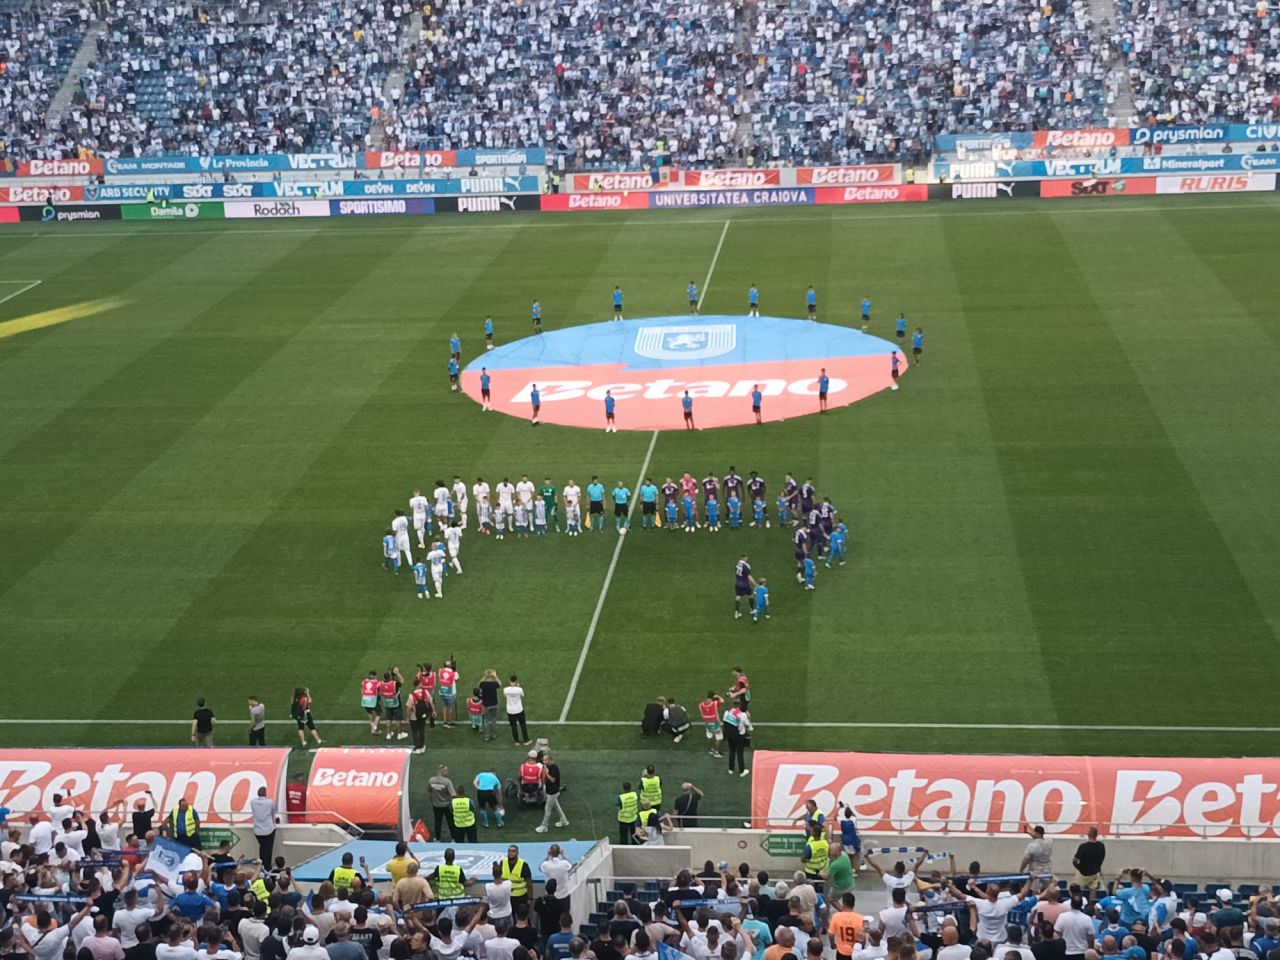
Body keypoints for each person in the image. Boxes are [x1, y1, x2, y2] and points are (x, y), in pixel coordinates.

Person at [537, 753, 568, 832]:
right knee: (557, 806)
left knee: (547, 809)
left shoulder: (554, 768)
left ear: (550, 760)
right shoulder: (547, 767)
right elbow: (544, 779)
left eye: (545, 760)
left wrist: (547, 772)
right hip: (550, 791)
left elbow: (552, 780)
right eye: (543, 760)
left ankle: (544, 825)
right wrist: (544, 772)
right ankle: (564, 820)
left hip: (553, 792)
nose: (544, 762)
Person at [829, 894, 865, 960]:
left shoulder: (836, 917)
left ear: (844, 903)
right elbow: (863, 937)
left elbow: (831, 934)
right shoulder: (860, 918)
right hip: (855, 952)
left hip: (841, 952)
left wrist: (832, 944)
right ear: (853, 904)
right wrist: (862, 947)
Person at [1072, 827, 1106, 894]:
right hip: (1095, 872)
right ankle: (1092, 902)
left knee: (1073, 889)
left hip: (1083, 873)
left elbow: (1075, 860)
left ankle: (1077, 902)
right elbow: (1102, 857)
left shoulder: (1083, 846)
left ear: (1088, 834)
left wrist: (1078, 867)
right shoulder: (1101, 846)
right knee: (1093, 890)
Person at [501, 845, 533, 912]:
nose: (511, 853)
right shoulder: (502, 862)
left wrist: (530, 898)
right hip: (507, 897)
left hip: (520, 897)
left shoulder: (523, 865)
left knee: (521, 917)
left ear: (517, 853)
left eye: (513, 851)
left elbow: (529, 883)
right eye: (509, 851)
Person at [723, 702, 752, 776]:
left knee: (732, 751)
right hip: (739, 736)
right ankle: (741, 771)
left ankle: (731, 769)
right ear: (740, 706)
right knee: (740, 753)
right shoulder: (743, 715)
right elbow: (748, 725)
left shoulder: (727, 713)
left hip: (730, 736)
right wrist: (749, 717)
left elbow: (724, 721)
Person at [250, 787, 277, 866]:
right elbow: (273, 812)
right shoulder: (270, 802)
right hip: (269, 830)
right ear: (265, 793)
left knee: (262, 848)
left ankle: (261, 865)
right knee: (268, 849)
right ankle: (267, 866)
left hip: (258, 831)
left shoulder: (253, 802)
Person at [429, 766, 457, 841]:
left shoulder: (431, 780)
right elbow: (453, 794)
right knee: (450, 822)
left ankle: (438, 839)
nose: (447, 772)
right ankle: (454, 838)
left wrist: (432, 800)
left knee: (438, 822)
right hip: (446, 805)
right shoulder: (447, 781)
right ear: (442, 771)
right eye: (446, 770)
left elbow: (430, 791)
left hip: (436, 805)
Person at [380, 669, 407, 741]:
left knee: (388, 719)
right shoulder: (394, 684)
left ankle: (388, 734)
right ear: (390, 677)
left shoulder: (381, 684)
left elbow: (380, 693)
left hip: (387, 703)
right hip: (395, 704)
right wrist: (398, 673)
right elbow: (402, 680)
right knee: (398, 719)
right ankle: (399, 734)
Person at [504, 675, 531, 745]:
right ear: (516, 681)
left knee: (513, 726)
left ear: (509, 681)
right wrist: (518, 687)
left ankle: (516, 741)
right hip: (519, 709)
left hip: (510, 710)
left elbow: (506, 696)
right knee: (522, 724)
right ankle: (526, 740)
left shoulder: (505, 689)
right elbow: (522, 696)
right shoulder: (519, 689)